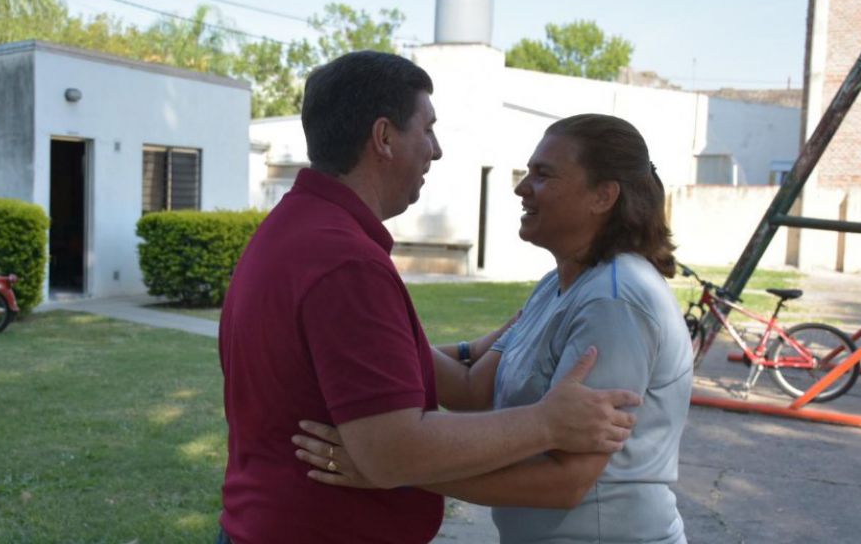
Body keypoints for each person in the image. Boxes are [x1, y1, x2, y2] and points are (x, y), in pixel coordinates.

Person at [217, 53, 643, 544]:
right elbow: (393, 450)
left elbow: (408, 382)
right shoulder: (346, 263)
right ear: (383, 138)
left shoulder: (296, 229)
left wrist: (513, 329)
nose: (436, 151)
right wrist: (545, 424)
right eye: (427, 129)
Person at [296, 113, 693, 543]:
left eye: (543, 175)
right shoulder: (557, 286)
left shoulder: (614, 302)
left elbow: (568, 480)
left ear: (603, 196)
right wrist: (364, 345)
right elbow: (471, 387)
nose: (522, 188)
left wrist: (393, 469)